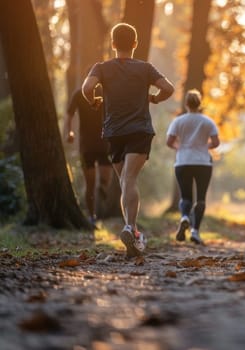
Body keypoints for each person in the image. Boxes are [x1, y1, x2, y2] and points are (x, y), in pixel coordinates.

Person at [82, 23, 174, 258]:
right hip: (139, 130)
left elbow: (87, 88)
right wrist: (154, 98)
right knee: (129, 179)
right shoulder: (145, 68)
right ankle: (130, 229)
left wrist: (93, 101)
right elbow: (169, 88)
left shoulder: (101, 67)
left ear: (113, 44)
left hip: (113, 132)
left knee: (125, 180)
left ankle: (131, 230)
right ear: (135, 44)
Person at [166, 89, 220, 245]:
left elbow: (169, 141)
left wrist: (181, 147)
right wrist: (204, 146)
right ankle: (195, 232)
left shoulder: (178, 121)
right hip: (203, 162)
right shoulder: (207, 121)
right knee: (201, 198)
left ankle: (184, 217)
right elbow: (216, 142)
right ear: (200, 104)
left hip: (183, 161)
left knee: (185, 196)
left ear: (186, 103)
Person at [64, 86, 113, 226]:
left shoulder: (106, 91)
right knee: (90, 184)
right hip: (86, 146)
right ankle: (92, 216)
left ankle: (102, 191)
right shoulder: (79, 93)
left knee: (104, 180)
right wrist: (69, 132)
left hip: (105, 144)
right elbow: (69, 114)